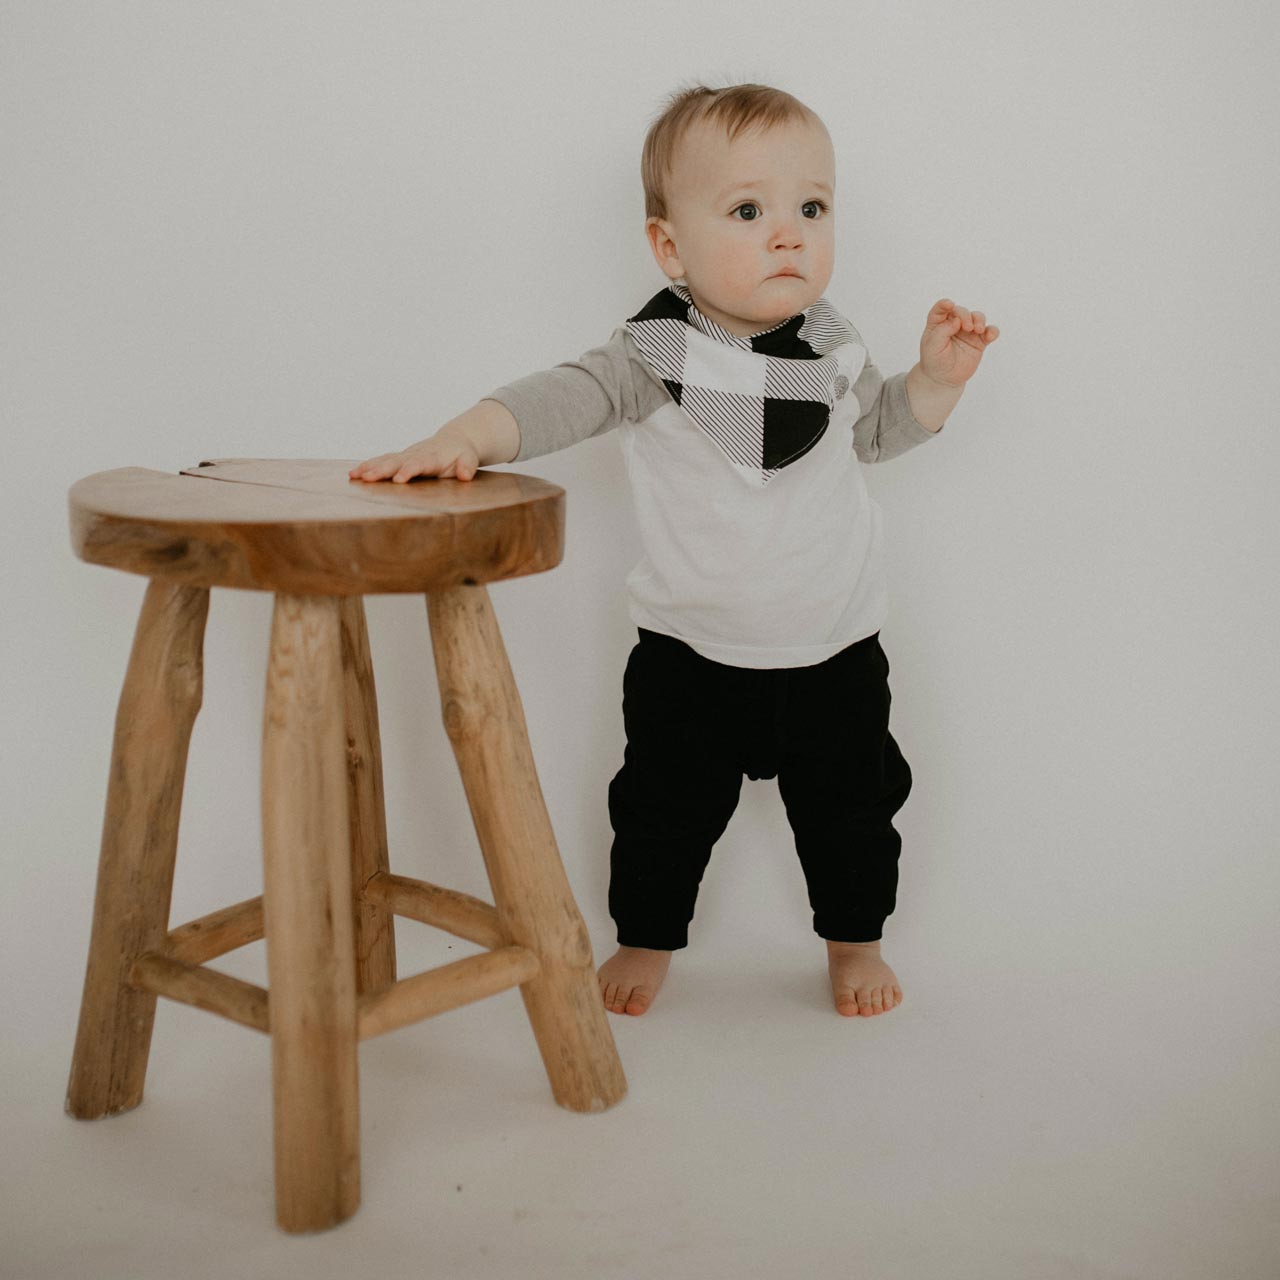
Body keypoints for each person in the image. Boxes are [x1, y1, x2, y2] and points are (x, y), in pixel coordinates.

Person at [350, 83, 999, 1020]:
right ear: (669, 248)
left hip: (835, 650)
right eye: (748, 211)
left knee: (855, 815)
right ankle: (646, 939)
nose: (789, 235)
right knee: (660, 815)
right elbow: (551, 400)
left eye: (811, 209)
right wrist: (465, 437)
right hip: (691, 657)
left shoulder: (833, 353)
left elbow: (877, 435)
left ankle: (853, 940)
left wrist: (935, 381)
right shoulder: (648, 361)